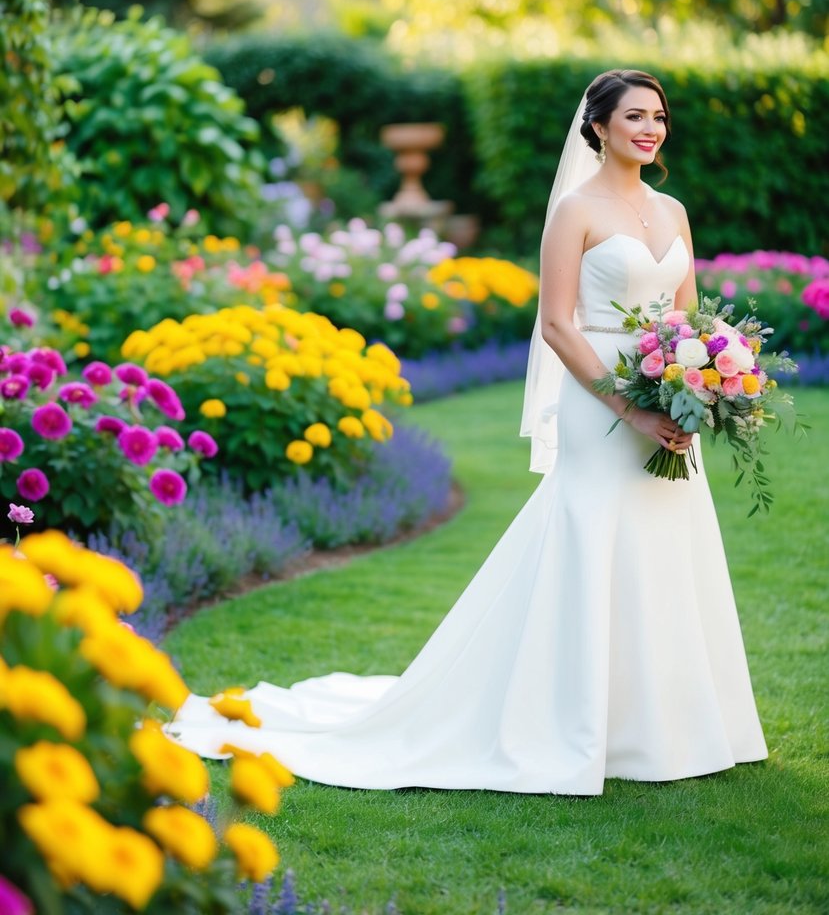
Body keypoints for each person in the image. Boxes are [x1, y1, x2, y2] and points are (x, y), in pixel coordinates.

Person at [169, 69, 767, 795]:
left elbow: (686, 317)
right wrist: (626, 405)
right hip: (598, 398)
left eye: (658, 117)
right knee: (592, 531)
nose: (649, 128)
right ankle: (572, 721)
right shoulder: (574, 210)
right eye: (633, 116)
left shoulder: (672, 210)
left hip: (666, 393)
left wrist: (692, 392)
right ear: (599, 127)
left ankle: (666, 725)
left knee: (666, 541)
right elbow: (554, 323)